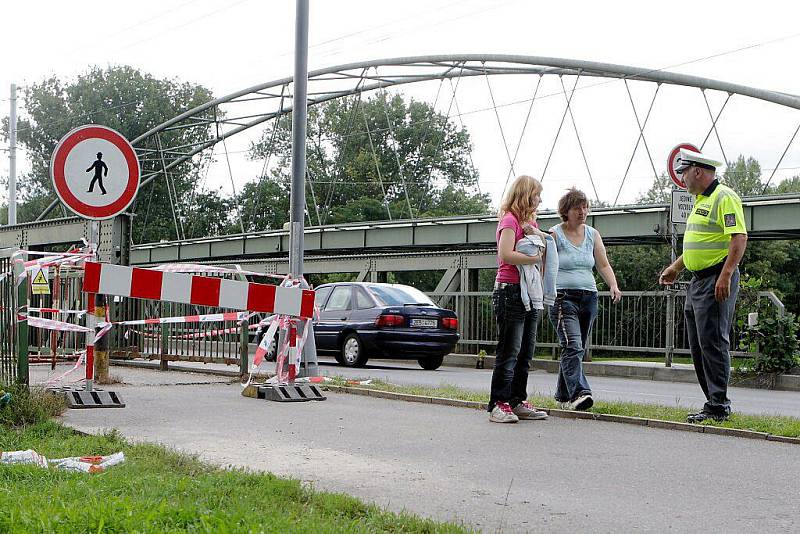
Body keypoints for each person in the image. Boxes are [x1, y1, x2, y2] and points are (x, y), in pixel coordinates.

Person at [659, 148, 747, 423]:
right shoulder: (699, 201)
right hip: (697, 281)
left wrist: (726, 275)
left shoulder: (724, 197)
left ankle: (718, 405)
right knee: (698, 344)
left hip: (716, 278)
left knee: (713, 341)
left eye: (683, 173)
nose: (681, 179)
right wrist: (676, 267)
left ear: (697, 171)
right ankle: (712, 401)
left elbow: (739, 238)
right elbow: (701, 243)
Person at [548, 188, 622, 411]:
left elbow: (603, 264)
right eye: (577, 208)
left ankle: (563, 395)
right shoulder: (554, 234)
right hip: (562, 297)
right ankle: (580, 393)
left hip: (588, 296)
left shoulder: (592, 234)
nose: (582, 211)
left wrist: (613, 284)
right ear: (566, 211)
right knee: (573, 346)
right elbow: (545, 266)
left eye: (585, 207)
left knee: (574, 348)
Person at [488, 175, 550, 423]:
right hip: (510, 290)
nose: (540, 199)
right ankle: (498, 403)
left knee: (526, 351)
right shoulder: (509, 220)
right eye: (537, 195)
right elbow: (505, 254)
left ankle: (516, 400)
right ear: (526, 195)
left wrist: (536, 233)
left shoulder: (528, 223)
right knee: (510, 350)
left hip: (529, 292)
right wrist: (533, 259)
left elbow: (545, 242)